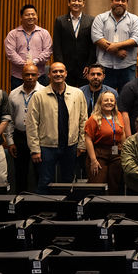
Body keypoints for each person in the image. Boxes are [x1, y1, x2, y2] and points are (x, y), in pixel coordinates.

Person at [27, 62, 88, 192]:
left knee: (68, 181)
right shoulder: (38, 96)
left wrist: (82, 144)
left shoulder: (77, 93)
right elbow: (32, 124)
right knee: (44, 181)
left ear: (66, 73)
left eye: (61, 71)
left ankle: (66, 210)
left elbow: (83, 120)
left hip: (70, 146)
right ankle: (44, 210)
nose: (58, 74)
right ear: (49, 75)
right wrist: (34, 149)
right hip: (46, 147)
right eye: (54, 71)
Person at [90, 0, 138, 90]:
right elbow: (97, 38)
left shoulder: (134, 19)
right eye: (117, 0)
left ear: (127, 3)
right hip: (105, 66)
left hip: (127, 67)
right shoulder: (100, 18)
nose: (120, 3)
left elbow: (136, 40)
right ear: (111, 2)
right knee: (106, 100)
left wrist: (115, 46)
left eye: (123, 1)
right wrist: (116, 51)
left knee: (128, 99)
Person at [6, 63, 45, 192]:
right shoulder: (13, 94)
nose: (30, 77)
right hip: (20, 136)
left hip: (39, 138)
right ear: (21, 75)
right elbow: (9, 119)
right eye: (27, 74)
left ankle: (39, 204)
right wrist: (10, 141)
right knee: (20, 172)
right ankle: (20, 204)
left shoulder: (45, 92)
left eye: (33, 74)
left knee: (40, 173)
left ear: (38, 75)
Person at [83, 90, 125, 193]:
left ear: (115, 103)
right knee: (97, 184)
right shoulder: (94, 119)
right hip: (99, 154)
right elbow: (88, 139)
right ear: (100, 102)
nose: (109, 102)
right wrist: (93, 160)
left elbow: (122, 132)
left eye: (112, 100)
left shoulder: (118, 115)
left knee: (115, 184)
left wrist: (123, 150)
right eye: (106, 100)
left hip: (115, 154)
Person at [4, 4, 53, 88]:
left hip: (39, 76)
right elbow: (10, 53)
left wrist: (34, 62)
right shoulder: (13, 34)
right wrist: (25, 64)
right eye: (27, 15)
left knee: (41, 100)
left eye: (33, 14)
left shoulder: (44, 33)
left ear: (37, 16)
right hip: (18, 77)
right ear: (21, 18)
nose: (31, 17)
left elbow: (48, 51)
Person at [53, 0, 94, 87]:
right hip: (66, 66)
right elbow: (57, 45)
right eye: (74, 0)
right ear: (68, 3)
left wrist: (89, 65)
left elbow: (93, 46)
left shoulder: (91, 20)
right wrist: (61, 66)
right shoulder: (60, 21)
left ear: (83, 3)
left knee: (83, 93)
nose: (76, 3)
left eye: (79, 1)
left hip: (84, 68)